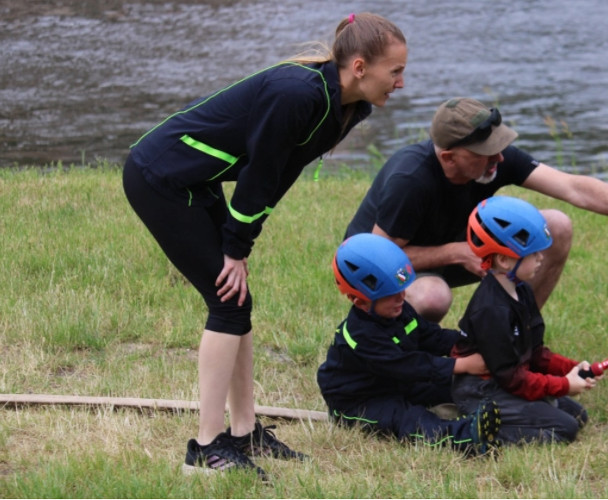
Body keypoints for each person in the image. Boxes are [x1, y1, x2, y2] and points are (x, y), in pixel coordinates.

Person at [122, 13, 408, 481]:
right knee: (226, 301)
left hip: (196, 178)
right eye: (394, 71)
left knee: (236, 302)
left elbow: (280, 173)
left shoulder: (348, 107)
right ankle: (206, 449)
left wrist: (241, 243)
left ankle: (245, 430)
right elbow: (259, 173)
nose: (400, 82)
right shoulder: (297, 95)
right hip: (160, 178)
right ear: (359, 67)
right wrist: (235, 249)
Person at [344, 97, 608, 323]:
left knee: (555, 227)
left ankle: (513, 341)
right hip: (382, 271)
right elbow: (381, 259)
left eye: (499, 147)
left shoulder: (491, 162)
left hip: (456, 252)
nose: (500, 158)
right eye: (487, 152)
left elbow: (573, 187)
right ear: (448, 156)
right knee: (433, 297)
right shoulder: (411, 178)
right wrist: (458, 253)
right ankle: (408, 364)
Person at [316, 233, 501, 456]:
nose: (402, 297)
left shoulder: (400, 310)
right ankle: (465, 437)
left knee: (452, 386)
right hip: (360, 400)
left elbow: (433, 337)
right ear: (360, 301)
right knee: (408, 419)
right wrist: (461, 365)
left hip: (398, 383)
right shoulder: (360, 336)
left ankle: (503, 406)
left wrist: (471, 344)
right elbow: (407, 365)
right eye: (391, 294)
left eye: (401, 289)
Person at [451, 195, 598, 444]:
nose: (541, 258)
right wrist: (562, 385)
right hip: (481, 390)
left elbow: (535, 353)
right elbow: (512, 378)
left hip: (509, 382)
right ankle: (472, 428)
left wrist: (571, 368)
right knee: (565, 429)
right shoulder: (491, 310)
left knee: (578, 415)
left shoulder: (522, 290)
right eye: (533, 254)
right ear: (505, 260)